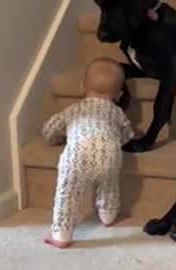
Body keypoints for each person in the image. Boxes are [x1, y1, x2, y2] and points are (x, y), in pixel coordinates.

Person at [42, 57, 134, 249]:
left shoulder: (74, 109)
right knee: (109, 184)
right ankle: (108, 215)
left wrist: (54, 138)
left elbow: (50, 128)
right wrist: (120, 140)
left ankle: (61, 234)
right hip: (109, 154)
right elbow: (127, 134)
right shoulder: (117, 112)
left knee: (67, 193)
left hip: (78, 155)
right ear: (119, 95)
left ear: (82, 87)